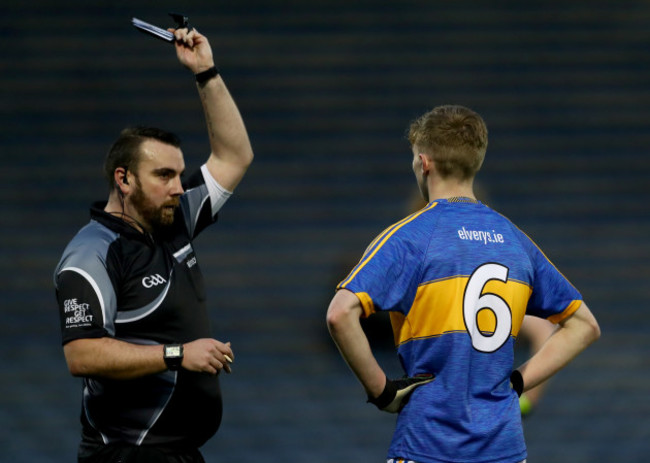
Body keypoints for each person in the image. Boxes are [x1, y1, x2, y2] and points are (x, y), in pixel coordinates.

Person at [326, 105, 600, 463]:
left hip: (427, 445)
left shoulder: (410, 238)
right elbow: (584, 326)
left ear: (423, 163)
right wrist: (517, 383)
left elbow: (339, 314)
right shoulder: (516, 241)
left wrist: (382, 392)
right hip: (504, 449)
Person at [53, 25, 253, 463]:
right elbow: (81, 353)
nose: (178, 186)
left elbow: (234, 156)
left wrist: (206, 72)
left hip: (180, 453)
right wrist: (179, 354)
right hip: (125, 454)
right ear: (123, 180)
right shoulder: (92, 252)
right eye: (164, 175)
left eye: (179, 174)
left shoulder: (174, 218)